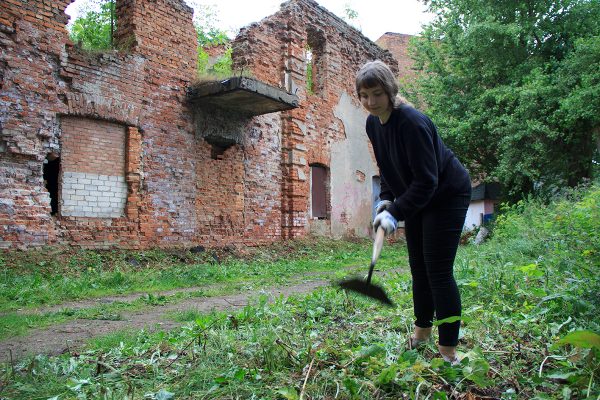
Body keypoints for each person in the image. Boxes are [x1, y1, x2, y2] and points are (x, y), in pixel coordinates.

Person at [355, 60, 472, 364]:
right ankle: (421, 332)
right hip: (419, 195)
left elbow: (427, 179)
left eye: (377, 94)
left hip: (446, 193)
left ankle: (448, 352)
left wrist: (396, 211)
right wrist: (385, 200)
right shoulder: (373, 124)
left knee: (438, 271)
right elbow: (389, 168)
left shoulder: (412, 122)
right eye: (364, 95)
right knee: (418, 268)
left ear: (390, 91)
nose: (371, 102)